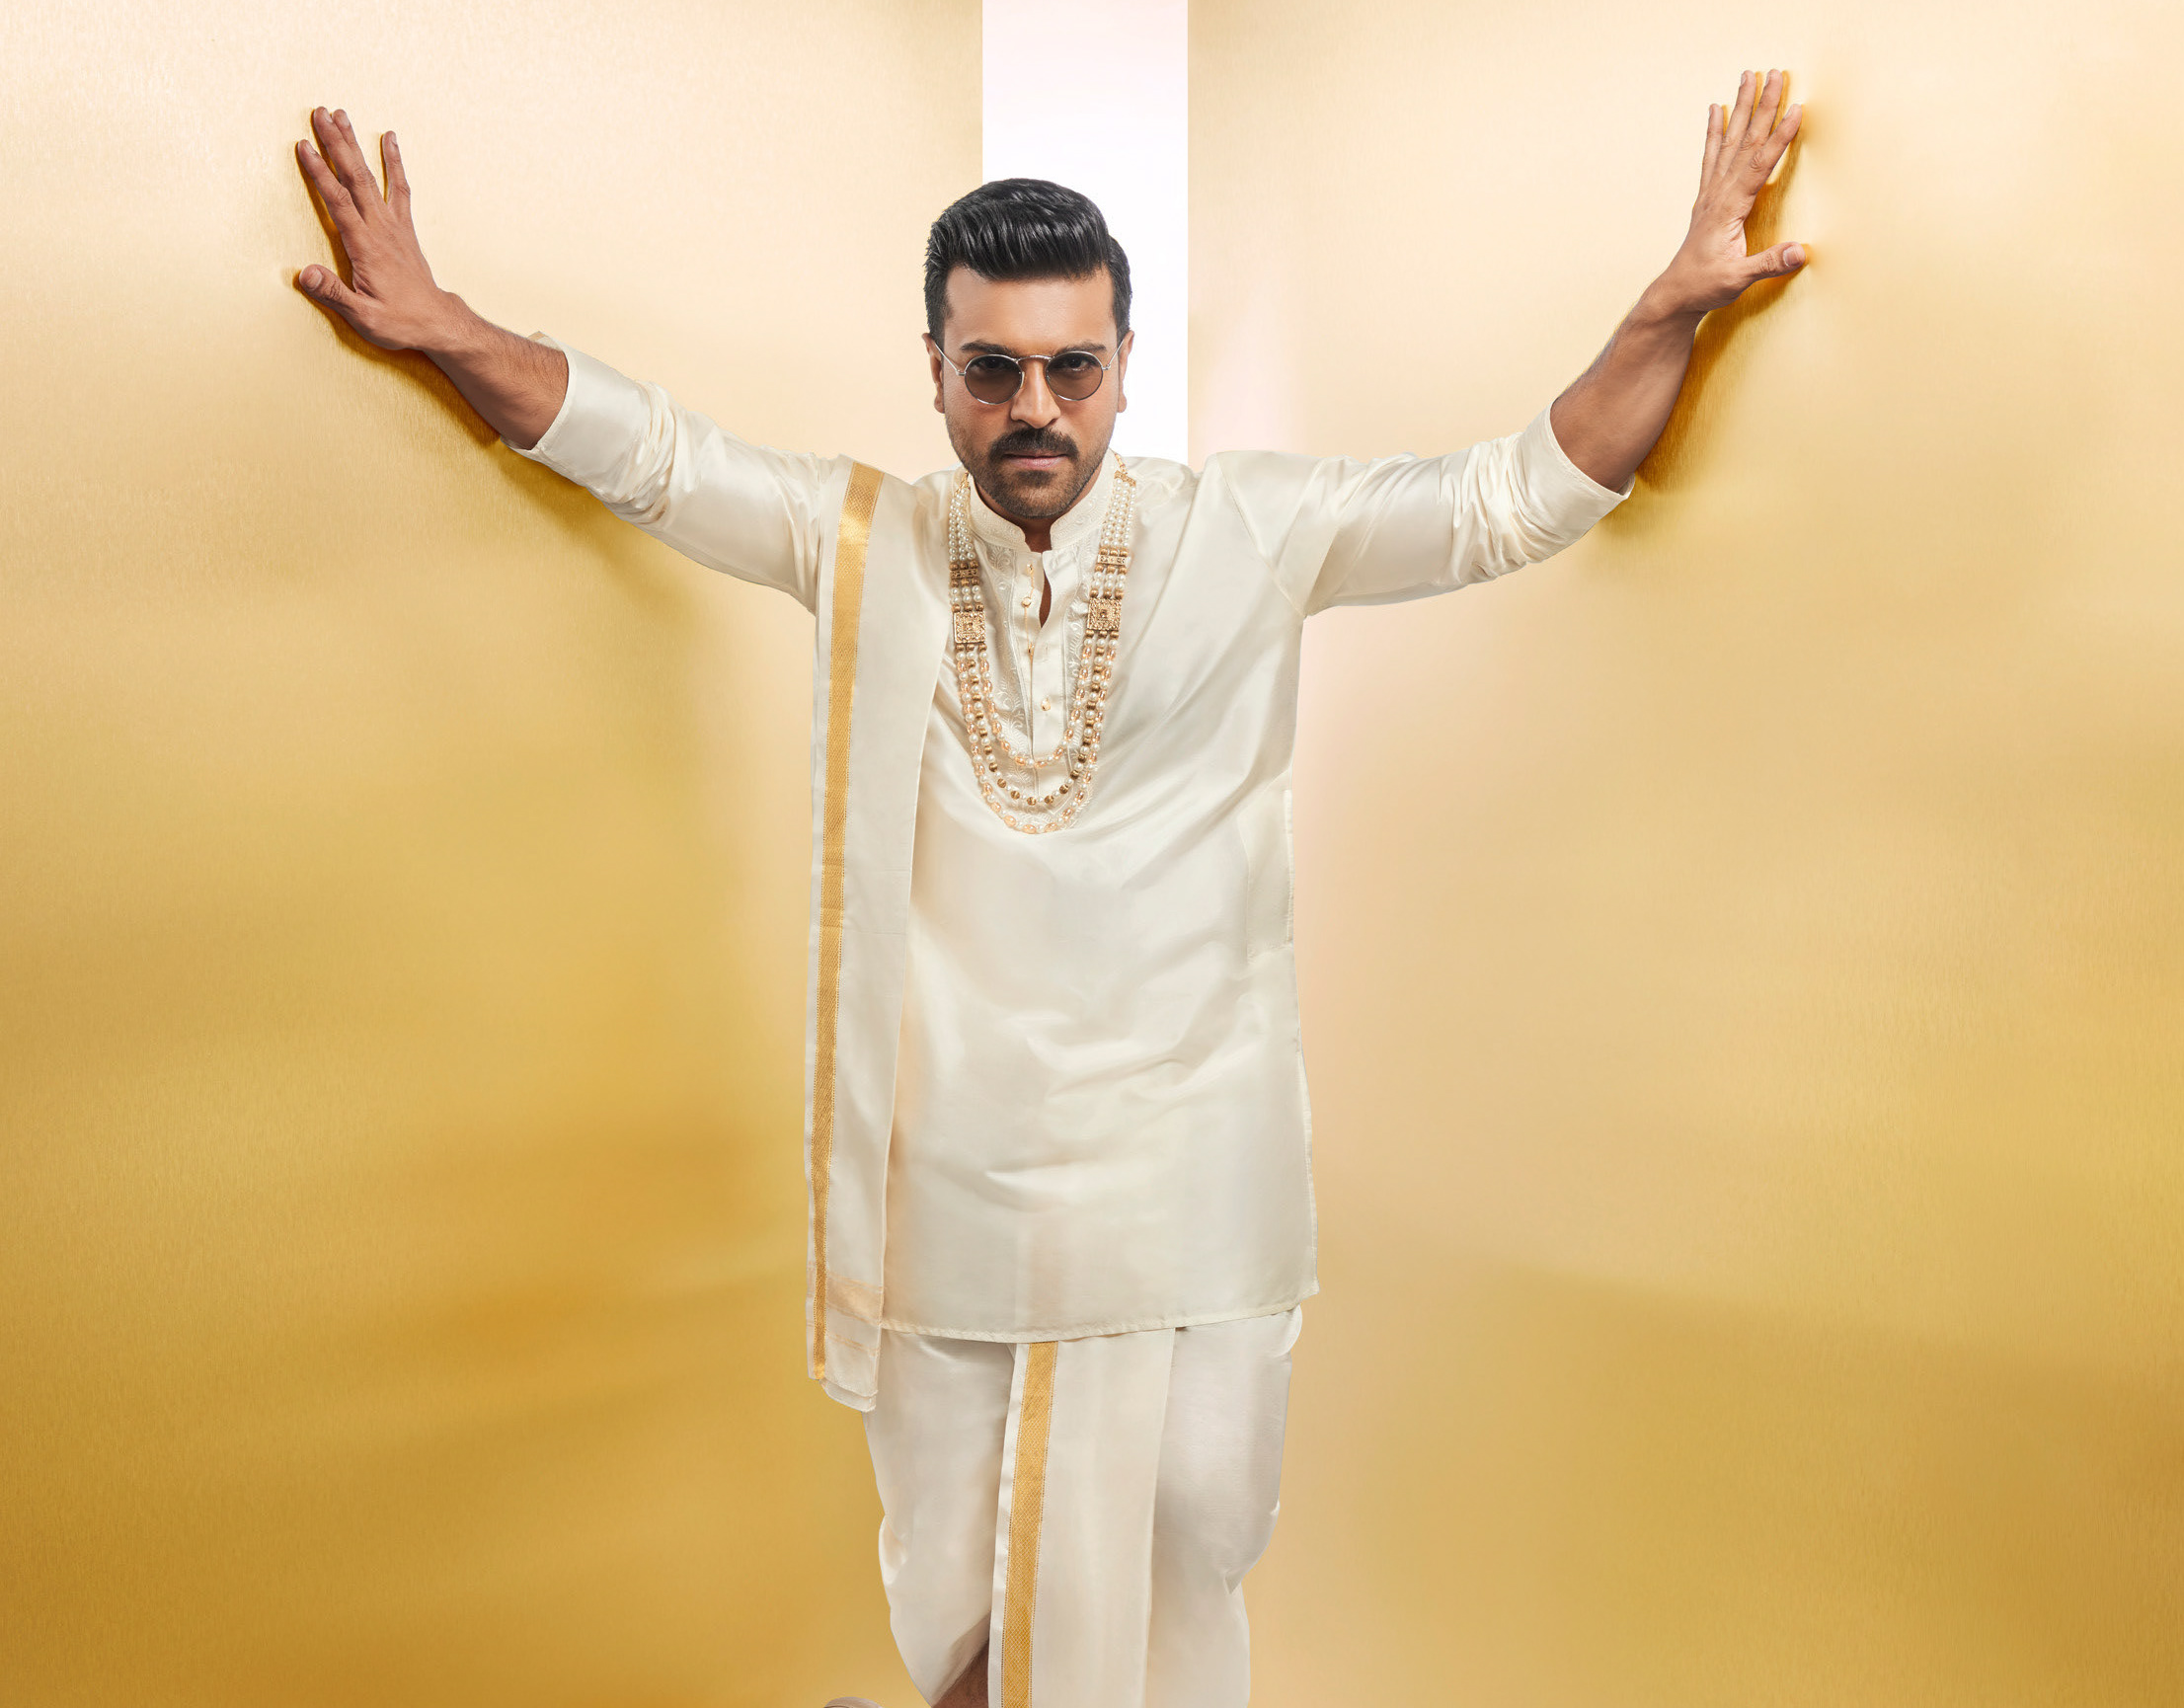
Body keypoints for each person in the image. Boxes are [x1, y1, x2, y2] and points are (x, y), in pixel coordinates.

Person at [292, 70, 1805, 1708]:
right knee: (964, 1594)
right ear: (935, 369)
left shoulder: (1249, 530)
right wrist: (445, 326)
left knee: (1181, 1546)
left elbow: (1515, 496)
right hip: (952, 1194)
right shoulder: (859, 540)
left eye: (1072, 369)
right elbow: (657, 455)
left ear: (1124, 366)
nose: (1036, 409)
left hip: (1192, 1184)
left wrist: (1661, 311)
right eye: (993, 370)